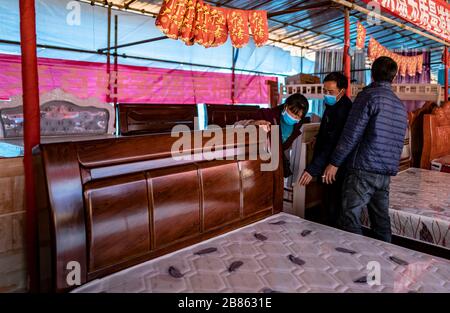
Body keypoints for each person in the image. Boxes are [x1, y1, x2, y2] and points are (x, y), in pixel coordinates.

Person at [322, 56, 408, 242]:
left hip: (363, 168)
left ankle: (356, 259)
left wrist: (334, 162)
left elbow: (351, 132)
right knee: (381, 221)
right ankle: (385, 260)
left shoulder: (368, 96)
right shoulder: (399, 106)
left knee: (348, 218)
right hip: (385, 173)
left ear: (372, 73)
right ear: (393, 77)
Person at [298, 72, 353, 227]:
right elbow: (327, 132)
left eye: (330, 92)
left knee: (333, 206)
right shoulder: (332, 105)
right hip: (329, 162)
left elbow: (333, 142)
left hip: (336, 166)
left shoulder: (344, 110)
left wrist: (312, 169)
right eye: (325, 91)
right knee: (327, 202)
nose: (326, 95)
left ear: (341, 91)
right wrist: (318, 138)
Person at [235, 93, 309, 177]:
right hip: (256, 162)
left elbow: (283, 148)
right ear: (285, 106)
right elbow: (238, 125)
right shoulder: (267, 114)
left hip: (275, 166)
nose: (294, 117)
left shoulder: (296, 127)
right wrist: (253, 123)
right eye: (292, 112)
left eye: (298, 116)